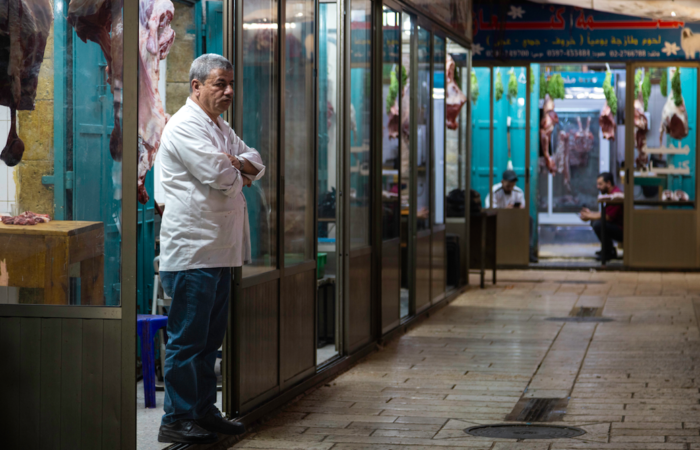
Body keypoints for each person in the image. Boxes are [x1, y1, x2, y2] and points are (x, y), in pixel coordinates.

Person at [157, 54, 266, 444]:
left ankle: (203, 412)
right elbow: (222, 176)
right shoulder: (186, 125)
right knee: (188, 342)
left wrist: (236, 163)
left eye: (231, 84)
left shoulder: (218, 126)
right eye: (220, 83)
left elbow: (256, 162)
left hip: (219, 251)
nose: (229, 91)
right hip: (193, 253)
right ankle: (177, 418)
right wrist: (238, 171)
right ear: (196, 86)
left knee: (208, 342)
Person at [579, 172, 623, 261]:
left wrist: (589, 215)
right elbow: (605, 214)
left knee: (598, 225)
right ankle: (608, 249)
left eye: (600, 184)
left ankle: (608, 252)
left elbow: (607, 217)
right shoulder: (612, 194)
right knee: (595, 222)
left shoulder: (616, 196)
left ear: (608, 183)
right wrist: (590, 214)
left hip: (622, 230)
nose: (598, 187)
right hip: (617, 226)